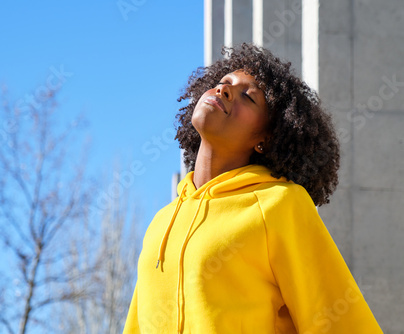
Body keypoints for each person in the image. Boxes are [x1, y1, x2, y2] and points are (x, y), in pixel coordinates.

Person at [123, 43, 383, 333]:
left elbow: (341, 321)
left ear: (265, 138)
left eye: (248, 97)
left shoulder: (279, 204)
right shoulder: (161, 222)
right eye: (223, 83)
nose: (224, 90)